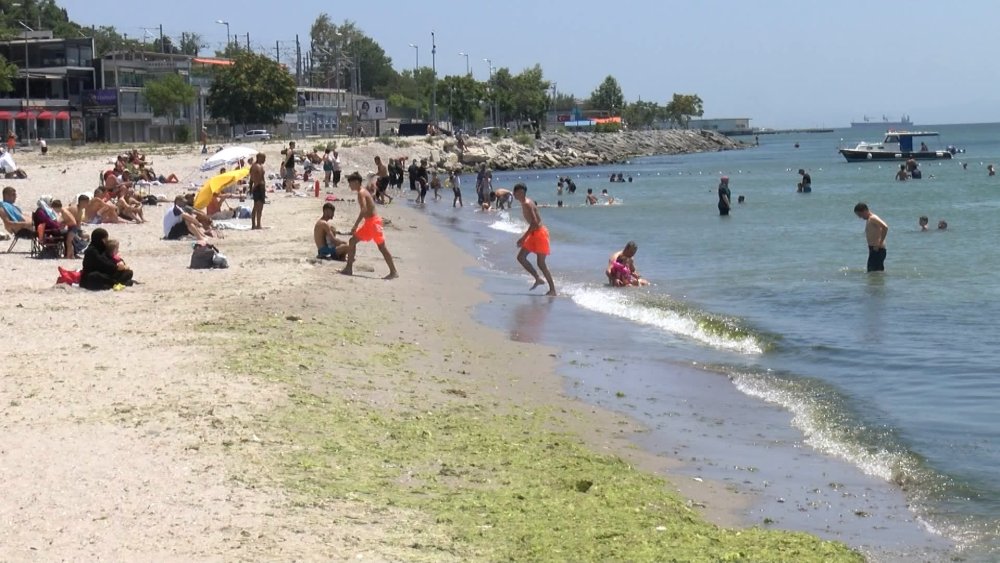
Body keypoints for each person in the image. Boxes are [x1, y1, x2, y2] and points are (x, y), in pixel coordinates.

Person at [341, 172, 398, 279]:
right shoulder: (363, 191)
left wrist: (355, 225)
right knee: (352, 241)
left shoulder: (361, 193)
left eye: (351, 183)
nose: (349, 186)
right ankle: (348, 268)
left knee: (382, 247)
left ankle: (394, 272)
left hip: (373, 223)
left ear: (357, 182)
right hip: (369, 223)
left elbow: (364, 209)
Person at [513, 183, 556, 296]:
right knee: (521, 257)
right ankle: (537, 278)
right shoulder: (524, 203)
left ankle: (553, 290)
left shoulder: (527, 203)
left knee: (541, 264)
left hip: (539, 234)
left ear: (522, 193)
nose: (518, 194)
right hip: (534, 233)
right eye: (517, 192)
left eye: (520, 192)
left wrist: (523, 238)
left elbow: (535, 223)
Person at [854, 202, 888, 272]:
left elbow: (885, 227)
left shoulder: (873, 218)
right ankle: (876, 283)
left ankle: (876, 283)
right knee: (874, 273)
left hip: (877, 249)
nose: (860, 217)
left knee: (873, 272)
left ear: (865, 210)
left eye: (860, 214)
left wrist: (879, 244)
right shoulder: (869, 219)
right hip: (874, 249)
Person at [250, 152, 266, 230]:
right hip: (259, 187)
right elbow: (258, 179)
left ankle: (254, 224)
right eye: (263, 158)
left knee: (256, 207)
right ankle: (257, 225)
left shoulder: (254, 166)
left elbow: (251, 179)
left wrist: (250, 188)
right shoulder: (257, 166)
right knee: (258, 207)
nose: (264, 160)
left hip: (257, 187)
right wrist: (256, 187)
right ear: (259, 157)